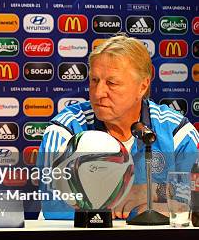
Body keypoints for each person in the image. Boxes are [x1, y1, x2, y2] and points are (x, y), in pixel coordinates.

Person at [38, 34, 198, 219]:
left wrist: (152, 191)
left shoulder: (176, 130)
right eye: (94, 80)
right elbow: (52, 203)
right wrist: (114, 199)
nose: (98, 93)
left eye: (112, 83)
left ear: (142, 86)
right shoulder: (66, 129)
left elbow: (194, 198)